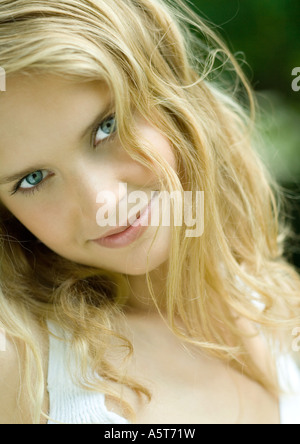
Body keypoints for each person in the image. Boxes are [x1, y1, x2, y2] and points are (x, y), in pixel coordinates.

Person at [0, 0, 299, 425]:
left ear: (172, 97)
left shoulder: (274, 301)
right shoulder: (25, 368)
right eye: (32, 179)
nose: (101, 203)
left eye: (108, 126)